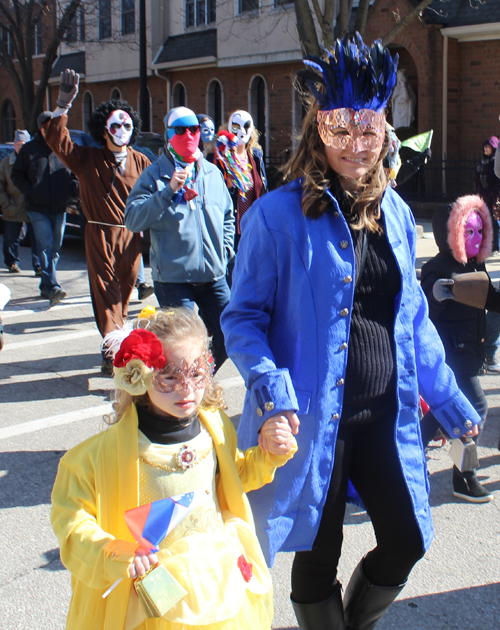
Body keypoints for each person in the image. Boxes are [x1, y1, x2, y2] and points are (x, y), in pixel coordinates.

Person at [221, 34, 481, 630]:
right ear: (318, 129)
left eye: (370, 130)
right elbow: (241, 319)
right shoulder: (276, 216)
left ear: (385, 131)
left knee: (408, 537)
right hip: (312, 419)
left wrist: (445, 396)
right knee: (318, 555)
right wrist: (269, 393)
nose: (357, 146)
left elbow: (411, 316)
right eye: (342, 129)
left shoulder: (393, 210)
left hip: (384, 415)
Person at [51, 307, 296, 630]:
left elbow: (233, 478)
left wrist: (268, 455)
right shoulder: (93, 459)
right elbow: (72, 525)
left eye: (196, 374)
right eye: (169, 377)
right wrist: (114, 551)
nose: (186, 390)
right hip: (153, 583)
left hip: (211, 579)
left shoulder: (215, 428)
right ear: (141, 376)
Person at [43, 69, 151, 375]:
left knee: (125, 294)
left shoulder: (142, 160)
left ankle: (115, 344)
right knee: (106, 294)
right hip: (99, 233)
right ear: (104, 129)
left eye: (127, 124)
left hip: (131, 236)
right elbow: (57, 141)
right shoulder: (87, 157)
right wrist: (64, 103)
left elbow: (160, 189)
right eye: (115, 124)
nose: (121, 129)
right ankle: (113, 351)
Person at [125, 106, 234, 373]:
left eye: (193, 129)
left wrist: (226, 250)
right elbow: (133, 219)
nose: (188, 135)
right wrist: (168, 191)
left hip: (213, 276)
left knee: (229, 335)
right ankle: (180, 391)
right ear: (168, 135)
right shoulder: (154, 175)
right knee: (185, 345)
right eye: (181, 130)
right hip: (173, 279)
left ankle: (199, 382)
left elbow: (228, 216)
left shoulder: (212, 172)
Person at [420, 195, 497, 502]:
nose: (476, 238)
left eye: (480, 231)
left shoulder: (475, 264)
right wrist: (437, 295)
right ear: (450, 232)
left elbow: (489, 299)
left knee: (443, 415)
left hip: (470, 352)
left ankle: (407, 455)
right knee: (474, 411)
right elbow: (424, 307)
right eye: (469, 231)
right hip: (450, 356)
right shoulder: (436, 266)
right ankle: (463, 477)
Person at [11, 113, 77, 306]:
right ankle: (53, 287)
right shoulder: (29, 149)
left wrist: (72, 188)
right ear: (42, 128)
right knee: (46, 246)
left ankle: (44, 286)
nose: (56, 130)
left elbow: (75, 172)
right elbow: (17, 175)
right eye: (51, 127)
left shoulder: (63, 148)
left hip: (59, 206)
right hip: (37, 208)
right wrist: (29, 191)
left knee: (55, 248)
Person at [215, 110, 267, 249]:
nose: (241, 131)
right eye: (236, 126)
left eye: (246, 126)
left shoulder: (256, 157)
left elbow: (262, 189)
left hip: (253, 226)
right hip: (231, 228)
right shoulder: (221, 158)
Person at [0, 130, 40, 275]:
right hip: (13, 205)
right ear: (14, 146)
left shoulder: (35, 161)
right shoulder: (6, 163)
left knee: (37, 238)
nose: (20, 147)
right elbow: (0, 186)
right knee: (11, 238)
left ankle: (38, 265)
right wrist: (6, 204)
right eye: (18, 144)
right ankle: (12, 263)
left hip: (33, 205)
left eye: (23, 144)